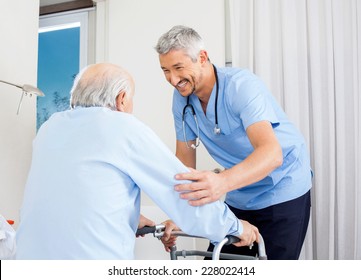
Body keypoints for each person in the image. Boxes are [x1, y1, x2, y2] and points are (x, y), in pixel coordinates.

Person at [15, 63, 259, 260]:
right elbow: (185, 191)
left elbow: (70, 190)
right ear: (122, 99)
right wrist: (234, 227)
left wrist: (128, 215)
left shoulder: (50, 128)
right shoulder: (121, 126)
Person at [155, 25, 313, 260]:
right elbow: (184, 166)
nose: (173, 79)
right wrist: (180, 214)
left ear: (202, 57)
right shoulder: (182, 99)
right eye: (165, 70)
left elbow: (272, 154)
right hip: (239, 191)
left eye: (178, 68)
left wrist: (221, 183)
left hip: (282, 185)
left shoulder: (241, 86)